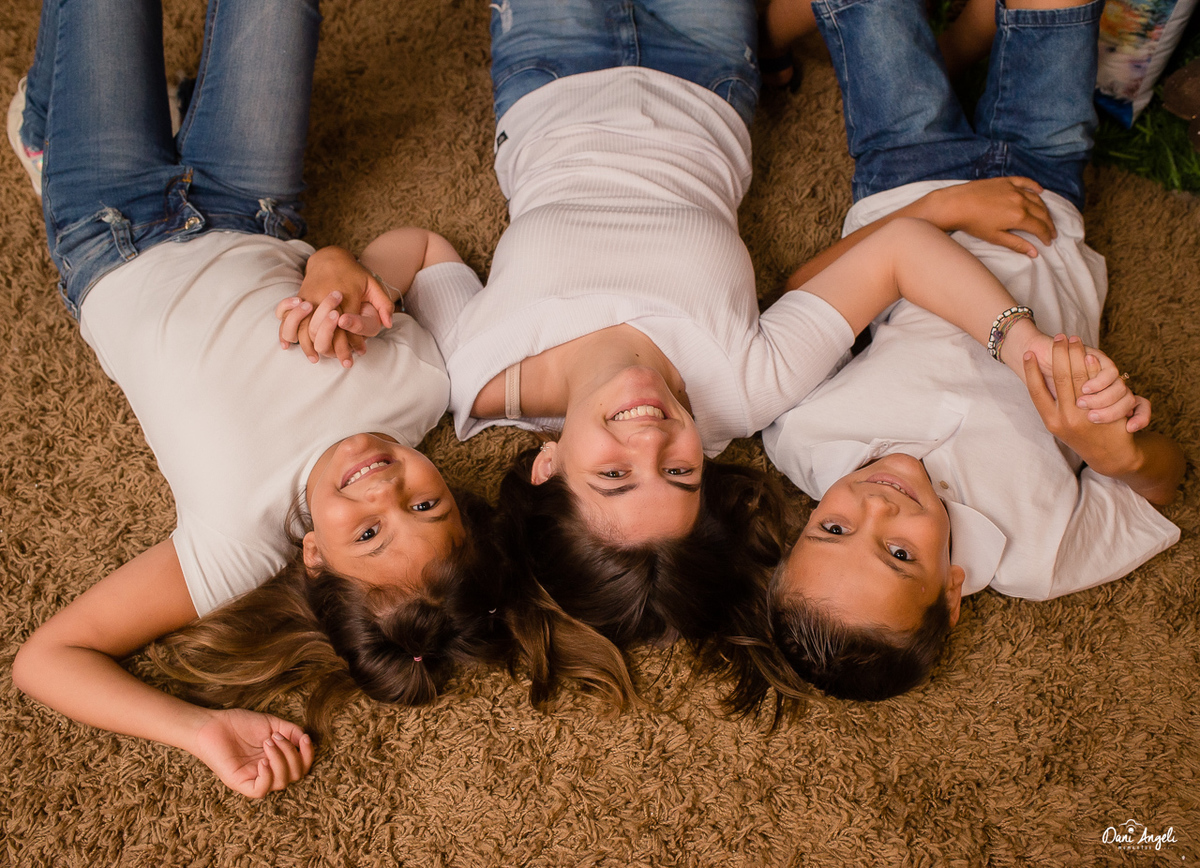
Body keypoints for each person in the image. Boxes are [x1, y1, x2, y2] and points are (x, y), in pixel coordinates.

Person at [288, 0, 1130, 667]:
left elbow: (422, 248)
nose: (652, 438)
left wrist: (354, 270)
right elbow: (900, 255)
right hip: (707, 76)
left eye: (614, 474)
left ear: (548, 467)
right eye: (681, 472)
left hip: (545, 73)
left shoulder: (476, 378)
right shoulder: (749, 390)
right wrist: (1023, 347)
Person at [8, 0, 632, 798]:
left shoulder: (239, 541)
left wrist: (199, 731)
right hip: (253, 207)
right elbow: (422, 250)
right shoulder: (422, 388)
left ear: (313, 559)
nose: (385, 488)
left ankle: (48, 129)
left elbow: (47, 660)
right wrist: (340, 266)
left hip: (109, 230)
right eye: (426, 506)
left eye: (368, 533)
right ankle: (96, 114)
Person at [756, 0, 1185, 703]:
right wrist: (1116, 456)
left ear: (801, 527)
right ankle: (965, 44)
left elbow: (804, 292)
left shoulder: (796, 436)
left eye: (833, 527)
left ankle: (949, 50)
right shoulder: (1042, 554)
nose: (876, 506)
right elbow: (1166, 485)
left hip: (907, 176)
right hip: (1044, 197)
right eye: (899, 553)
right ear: (951, 591)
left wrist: (933, 211)